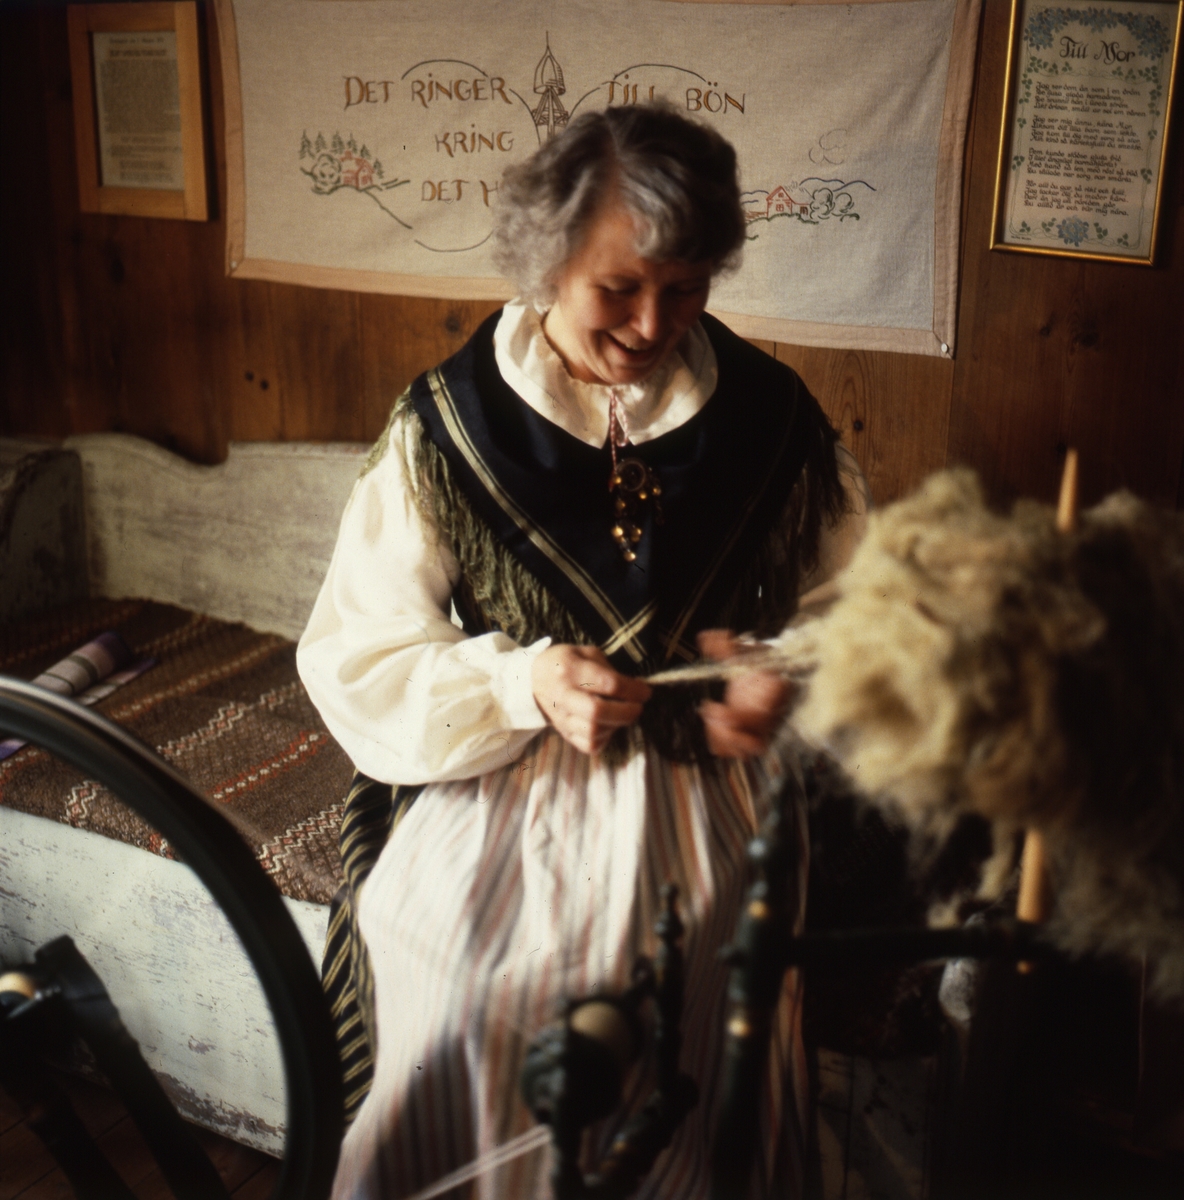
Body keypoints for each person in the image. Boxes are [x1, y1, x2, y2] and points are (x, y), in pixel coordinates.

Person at [298, 103, 869, 1199]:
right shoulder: (446, 427)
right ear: (545, 260)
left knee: (688, 988)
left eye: (688, 285)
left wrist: (782, 682)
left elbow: (855, 613)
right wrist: (518, 679)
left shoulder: (767, 418)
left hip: (698, 796)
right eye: (619, 286)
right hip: (498, 779)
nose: (654, 322)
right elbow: (358, 652)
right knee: (458, 978)